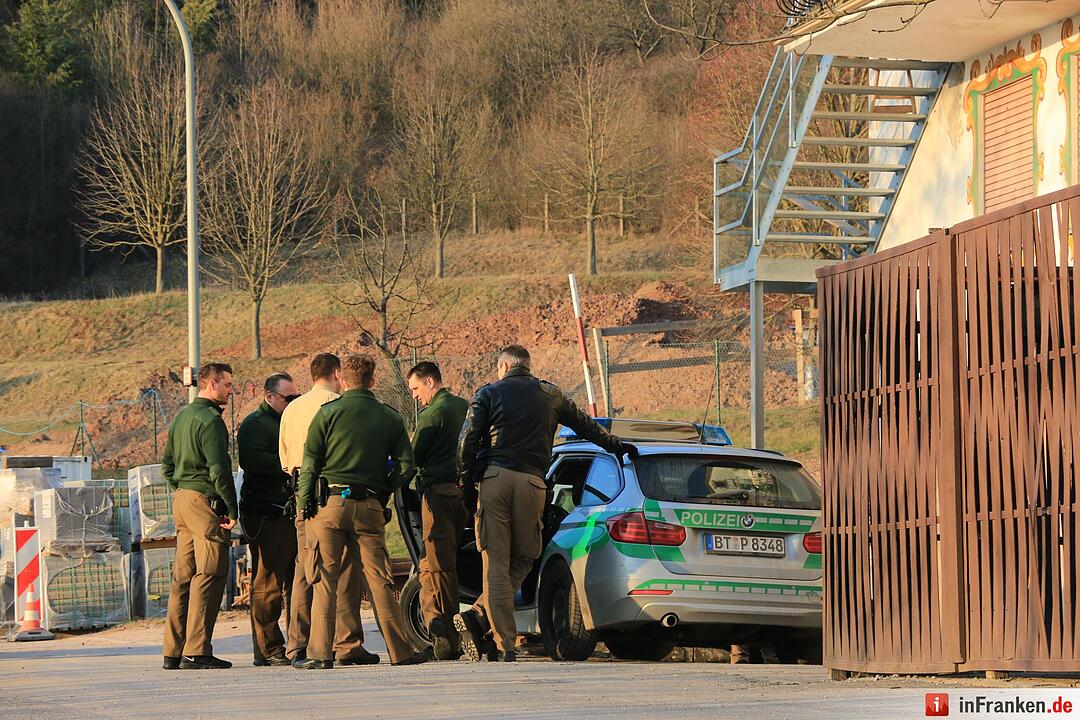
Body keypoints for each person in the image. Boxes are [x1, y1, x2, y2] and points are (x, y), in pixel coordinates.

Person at [454, 345, 635, 662]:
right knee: (526, 557)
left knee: (496, 560)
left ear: (504, 366)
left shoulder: (487, 393)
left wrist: (468, 485)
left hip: (494, 480)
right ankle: (487, 623)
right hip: (533, 482)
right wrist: (615, 444)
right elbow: (584, 424)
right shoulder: (550, 395)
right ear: (527, 366)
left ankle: (500, 638)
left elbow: (466, 440)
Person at [297, 354, 427, 668]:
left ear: (342, 379)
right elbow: (407, 465)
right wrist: (383, 488)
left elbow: (310, 464)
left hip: (329, 504)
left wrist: (305, 504)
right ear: (372, 380)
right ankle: (401, 651)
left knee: (326, 579)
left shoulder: (326, 414)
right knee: (379, 579)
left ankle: (320, 654)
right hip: (369, 505)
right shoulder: (389, 417)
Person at [278, 353, 372, 667]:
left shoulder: (291, 408)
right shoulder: (339, 404)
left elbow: (284, 457)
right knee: (342, 570)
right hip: (333, 493)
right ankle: (346, 644)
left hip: (299, 493)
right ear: (336, 373)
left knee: (306, 569)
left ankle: (298, 645)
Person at [161, 362, 238, 670]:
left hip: (182, 498)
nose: (231, 390)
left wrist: (183, 489)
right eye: (228, 385)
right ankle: (197, 650)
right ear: (211, 385)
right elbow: (219, 470)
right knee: (209, 574)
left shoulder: (181, 417)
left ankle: (172, 651)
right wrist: (231, 509)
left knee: (183, 577)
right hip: (203, 503)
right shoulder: (211, 421)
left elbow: (166, 463)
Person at [406, 361, 469, 661]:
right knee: (428, 563)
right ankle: (434, 621)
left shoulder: (433, 414)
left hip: (436, 497)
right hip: (463, 495)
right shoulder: (465, 406)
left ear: (431, 382)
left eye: (416, 389)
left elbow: (413, 457)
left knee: (440, 565)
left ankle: (447, 631)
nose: (415, 397)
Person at [238, 372, 299, 667]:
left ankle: (291, 643)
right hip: (266, 511)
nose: (293, 402)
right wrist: (289, 465)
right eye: (289, 397)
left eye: (295, 397)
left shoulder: (285, 420)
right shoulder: (255, 425)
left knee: (291, 580)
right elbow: (253, 462)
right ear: (270, 396)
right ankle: (267, 647)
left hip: (285, 509)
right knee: (268, 583)